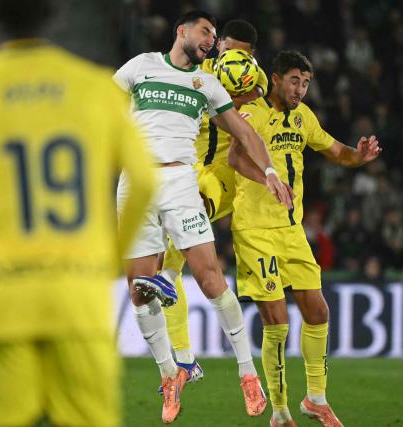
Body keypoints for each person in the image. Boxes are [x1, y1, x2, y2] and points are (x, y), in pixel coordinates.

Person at [0, 1, 156, 426]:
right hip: (77, 300)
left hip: (0, 305)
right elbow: (144, 181)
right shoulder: (96, 89)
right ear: (51, 17)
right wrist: (111, 258)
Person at [114, 10, 293, 424]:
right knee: (138, 292)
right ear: (182, 31)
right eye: (205, 31)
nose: (211, 39)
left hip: (180, 182)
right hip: (134, 184)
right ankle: (170, 373)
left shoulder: (207, 84)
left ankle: (248, 373)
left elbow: (246, 133)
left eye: (214, 35)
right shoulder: (140, 66)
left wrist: (268, 170)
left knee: (211, 278)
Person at [229, 50, 381, 427]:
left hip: (291, 230)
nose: (301, 89)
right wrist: (268, 176)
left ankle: (315, 399)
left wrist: (357, 157)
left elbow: (336, 151)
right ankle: (279, 412)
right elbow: (235, 157)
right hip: (255, 230)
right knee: (277, 322)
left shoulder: (302, 118)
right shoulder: (253, 111)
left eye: (306, 83)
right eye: (295, 80)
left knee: (318, 311)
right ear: (276, 78)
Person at [159, 18, 269, 388]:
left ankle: (195, 362)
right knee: (168, 267)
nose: (226, 56)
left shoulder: (254, 79)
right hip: (183, 172)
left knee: (182, 230)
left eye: (237, 54)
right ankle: (186, 360)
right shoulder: (198, 68)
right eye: (224, 47)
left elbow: (243, 108)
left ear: (250, 58)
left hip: (219, 177)